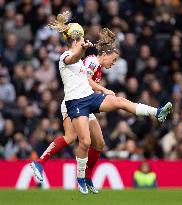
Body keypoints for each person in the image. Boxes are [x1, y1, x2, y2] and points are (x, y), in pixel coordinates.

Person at [31, 11, 172, 195]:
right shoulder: (75, 58)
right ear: (76, 41)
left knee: (100, 141)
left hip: (87, 100)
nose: (113, 64)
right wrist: (103, 88)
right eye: (113, 60)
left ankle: (157, 112)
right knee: (76, 139)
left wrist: (101, 90)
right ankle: (50, 166)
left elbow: (83, 76)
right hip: (73, 103)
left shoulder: (84, 61)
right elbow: (76, 62)